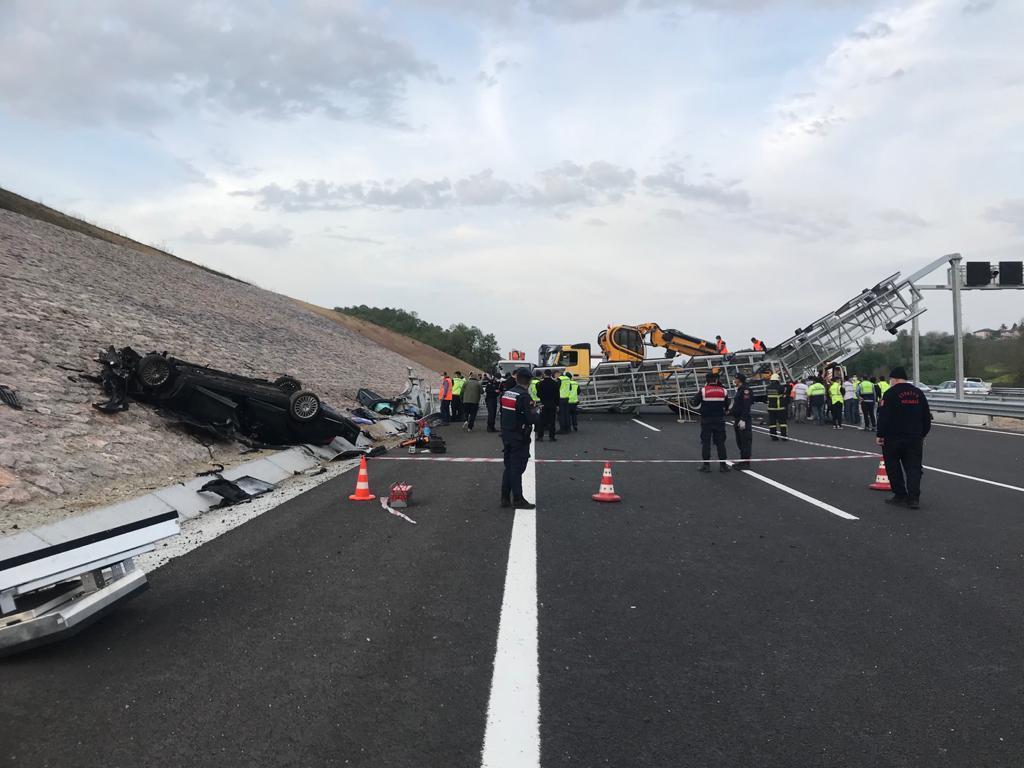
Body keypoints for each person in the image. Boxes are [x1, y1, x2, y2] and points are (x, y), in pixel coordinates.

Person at [876, 366, 931, 509]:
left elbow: (883, 417)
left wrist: (880, 434)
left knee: (893, 466)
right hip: (914, 437)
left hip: (892, 437)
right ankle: (914, 499)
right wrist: (923, 434)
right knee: (914, 468)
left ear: (894, 379)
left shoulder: (889, 394)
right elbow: (926, 417)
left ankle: (900, 495)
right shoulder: (918, 393)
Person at [500, 368, 537, 509]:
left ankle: (504, 497)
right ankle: (517, 498)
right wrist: (536, 412)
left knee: (509, 466)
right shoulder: (524, 396)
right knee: (517, 467)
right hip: (519, 436)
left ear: (517, 378)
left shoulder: (507, 393)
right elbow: (531, 418)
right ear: (530, 381)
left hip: (507, 434)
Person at [690, 371, 731, 473]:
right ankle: (723, 466)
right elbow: (727, 406)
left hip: (706, 420)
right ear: (717, 379)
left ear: (707, 380)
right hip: (719, 420)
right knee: (721, 443)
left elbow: (694, 403)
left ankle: (706, 466)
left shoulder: (703, 391)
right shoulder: (723, 391)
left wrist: (691, 400)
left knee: (706, 443)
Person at [730, 372, 753, 469]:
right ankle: (742, 460)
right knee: (739, 441)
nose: (734, 380)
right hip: (737, 418)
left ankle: (745, 462)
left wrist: (743, 419)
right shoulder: (739, 390)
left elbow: (746, 405)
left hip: (743, 419)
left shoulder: (745, 390)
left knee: (745, 441)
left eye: (735, 378)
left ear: (739, 380)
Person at [535, 369, 560, 442]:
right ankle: (552, 437)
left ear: (544, 374)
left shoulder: (541, 384)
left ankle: (540, 437)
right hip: (552, 404)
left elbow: (538, 394)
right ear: (551, 374)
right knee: (552, 421)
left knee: (541, 421)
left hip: (543, 404)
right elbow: (557, 396)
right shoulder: (555, 383)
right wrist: (557, 405)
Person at [766, 373, 790, 440]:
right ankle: (783, 436)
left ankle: (773, 437)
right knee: (782, 423)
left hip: (770, 408)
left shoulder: (767, 388)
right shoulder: (780, 387)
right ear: (778, 380)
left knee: (772, 423)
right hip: (780, 408)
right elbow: (785, 393)